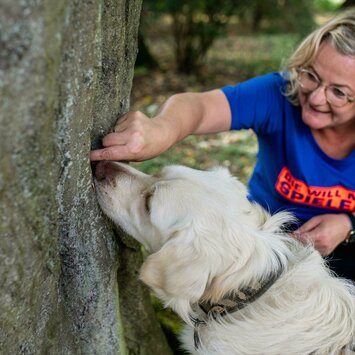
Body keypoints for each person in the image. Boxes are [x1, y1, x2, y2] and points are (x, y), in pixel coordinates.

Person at [91, 10, 355, 281]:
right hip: (261, 250)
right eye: (310, 74)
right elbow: (201, 107)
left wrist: (348, 225)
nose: (316, 97)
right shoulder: (279, 95)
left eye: (339, 92)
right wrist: (160, 130)